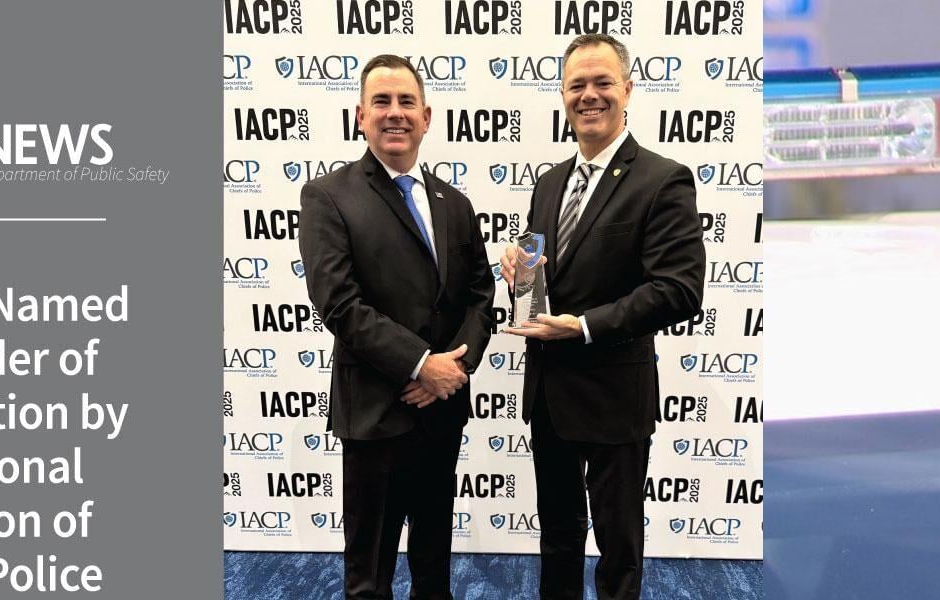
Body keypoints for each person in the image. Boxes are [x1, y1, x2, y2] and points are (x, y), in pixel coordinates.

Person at [499, 34, 706, 600]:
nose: (589, 95)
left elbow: (680, 290)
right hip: (549, 395)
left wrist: (584, 326)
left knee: (619, 547)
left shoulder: (663, 179)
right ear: (563, 96)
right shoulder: (548, 183)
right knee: (557, 540)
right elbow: (545, 280)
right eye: (577, 85)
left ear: (627, 90)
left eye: (602, 82)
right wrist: (518, 272)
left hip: (615, 396)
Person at [299, 54, 496, 600]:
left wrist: (453, 368)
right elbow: (339, 304)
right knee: (370, 576)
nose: (395, 113)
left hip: (441, 412)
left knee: (433, 568)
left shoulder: (455, 204)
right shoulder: (328, 196)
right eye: (381, 101)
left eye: (407, 102)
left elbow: (480, 295)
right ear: (360, 116)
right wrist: (420, 364)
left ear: (426, 117)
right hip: (375, 416)